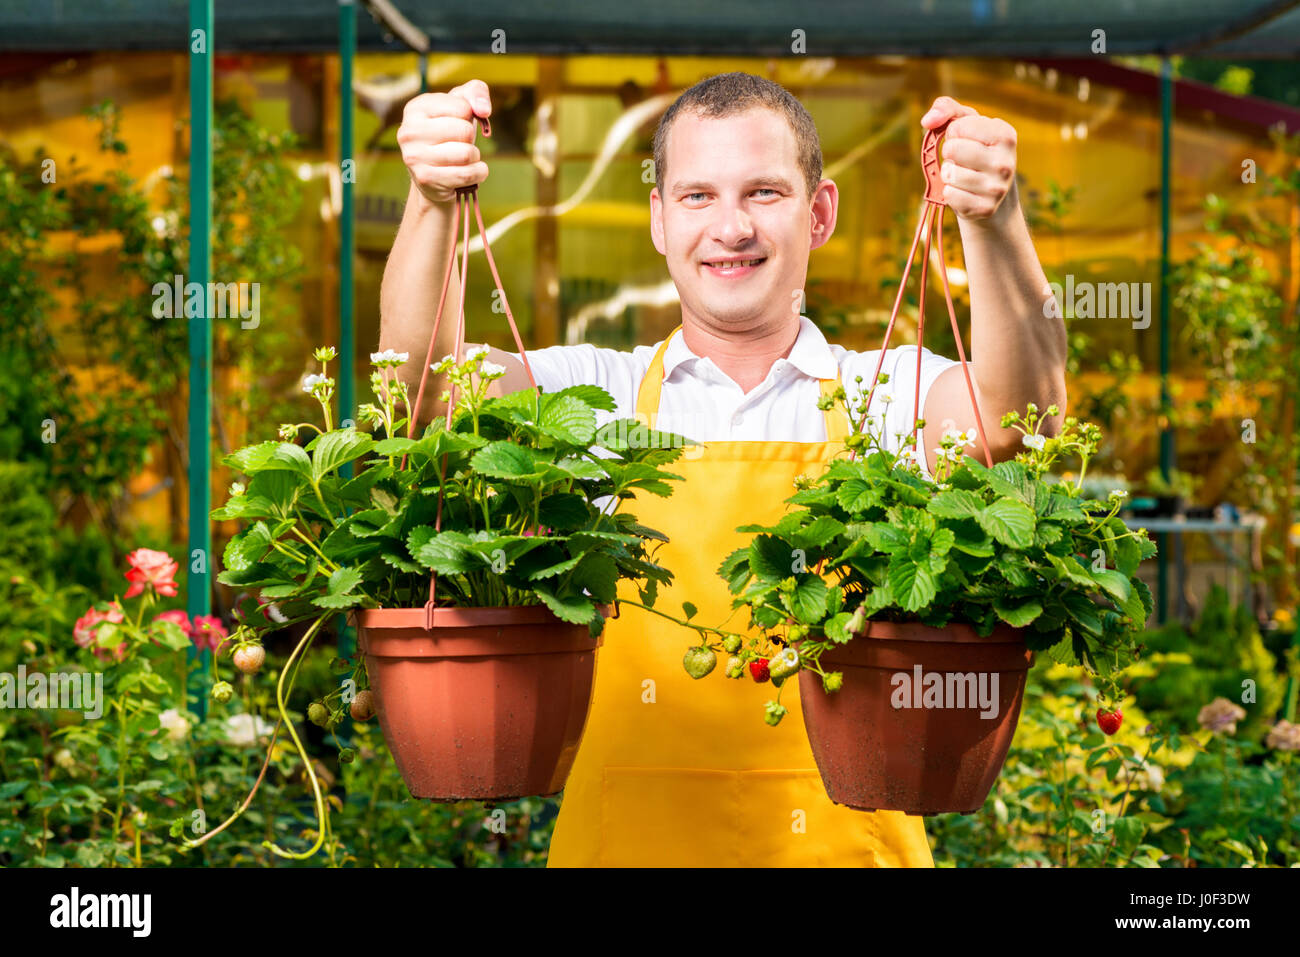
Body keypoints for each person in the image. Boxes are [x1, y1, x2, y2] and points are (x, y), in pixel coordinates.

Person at [379, 72, 1066, 867]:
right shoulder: (585, 396)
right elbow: (425, 388)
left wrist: (993, 219)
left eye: (764, 192)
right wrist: (431, 200)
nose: (730, 226)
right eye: (698, 195)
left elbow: (1021, 423)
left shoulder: (889, 389)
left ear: (820, 214)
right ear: (659, 220)